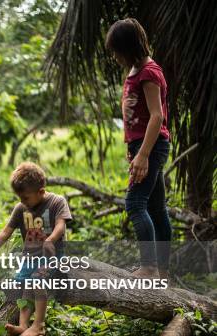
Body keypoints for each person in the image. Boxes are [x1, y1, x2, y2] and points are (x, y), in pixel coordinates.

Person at [106, 18, 171, 279]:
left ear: (129, 47)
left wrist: (143, 153)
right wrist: (133, 147)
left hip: (152, 146)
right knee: (156, 208)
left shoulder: (149, 73)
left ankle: (149, 267)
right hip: (142, 145)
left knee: (134, 203)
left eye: (116, 51)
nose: (114, 56)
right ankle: (162, 271)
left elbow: (156, 116)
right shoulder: (135, 70)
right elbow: (137, 117)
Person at [0, 162, 71, 336]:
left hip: (52, 256)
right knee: (24, 285)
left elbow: (61, 225)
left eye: (26, 197)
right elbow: (6, 232)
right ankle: (23, 325)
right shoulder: (21, 208)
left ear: (41, 192)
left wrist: (50, 240)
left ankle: (38, 326)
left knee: (37, 281)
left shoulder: (56, 202)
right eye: (19, 197)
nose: (22, 202)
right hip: (30, 257)